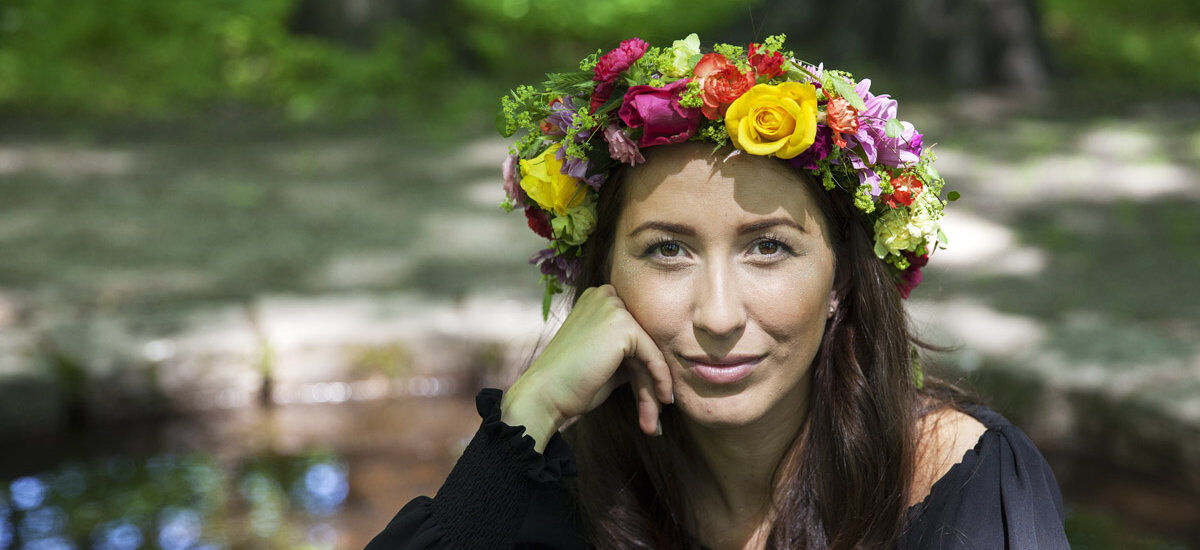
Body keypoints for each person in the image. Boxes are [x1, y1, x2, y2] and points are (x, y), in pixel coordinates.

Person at [367, 34, 1071, 550]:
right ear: (603, 280)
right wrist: (524, 415)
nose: (719, 316)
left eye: (769, 248)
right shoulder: (561, 484)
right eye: (667, 251)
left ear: (843, 281)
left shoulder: (961, 485)